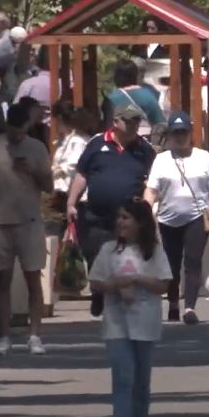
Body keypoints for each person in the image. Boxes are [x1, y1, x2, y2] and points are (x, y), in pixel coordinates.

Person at [86, 198, 172, 417]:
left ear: (140, 223)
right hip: (117, 324)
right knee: (123, 379)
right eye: (119, 218)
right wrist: (114, 285)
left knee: (141, 383)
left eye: (126, 218)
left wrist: (136, 279)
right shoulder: (109, 250)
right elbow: (96, 282)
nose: (120, 223)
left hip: (145, 324)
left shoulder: (153, 251)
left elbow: (163, 284)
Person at [0, 101, 53, 356]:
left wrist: (33, 171)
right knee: (2, 280)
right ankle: (5, 335)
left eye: (21, 130)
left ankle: (35, 335)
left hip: (29, 221)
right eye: (13, 130)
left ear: (27, 127)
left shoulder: (37, 148)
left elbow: (50, 186)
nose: (16, 135)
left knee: (33, 279)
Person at [67, 103, 157, 317]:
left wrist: (147, 206)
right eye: (128, 121)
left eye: (136, 121)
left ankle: (118, 298)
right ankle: (99, 291)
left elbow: (154, 180)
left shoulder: (144, 149)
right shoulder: (97, 144)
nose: (133, 125)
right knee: (96, 255)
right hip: (96, 215)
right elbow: (81, 175)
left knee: (123, 258)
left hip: (128, 217)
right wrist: (71, 202)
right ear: (115, 122)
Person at [144, 112, 209, 325]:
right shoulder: (161, 160)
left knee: (193, 262)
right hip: (168, 219)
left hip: (197, 216)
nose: (180, 137)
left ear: (190, 133)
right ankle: (174, 303)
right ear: (169, 135)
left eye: (184, 132)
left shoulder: (203, 157)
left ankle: (190, 307)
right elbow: (151, 190)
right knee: (171, 265)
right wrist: (144, 209)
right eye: (176, 133)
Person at [50, 106, 94, 217]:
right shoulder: (64, 141)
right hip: (62, 193)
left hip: (73, 193)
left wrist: (55, 171)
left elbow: (73, 167)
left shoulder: (78, 141)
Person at [103, 59, 164, 130]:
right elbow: (160, 125)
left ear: (117, 77)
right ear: (135, 75)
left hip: (120, 139)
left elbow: (108, 127)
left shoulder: (112, 98)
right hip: (144, 139)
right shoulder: (149, 96)